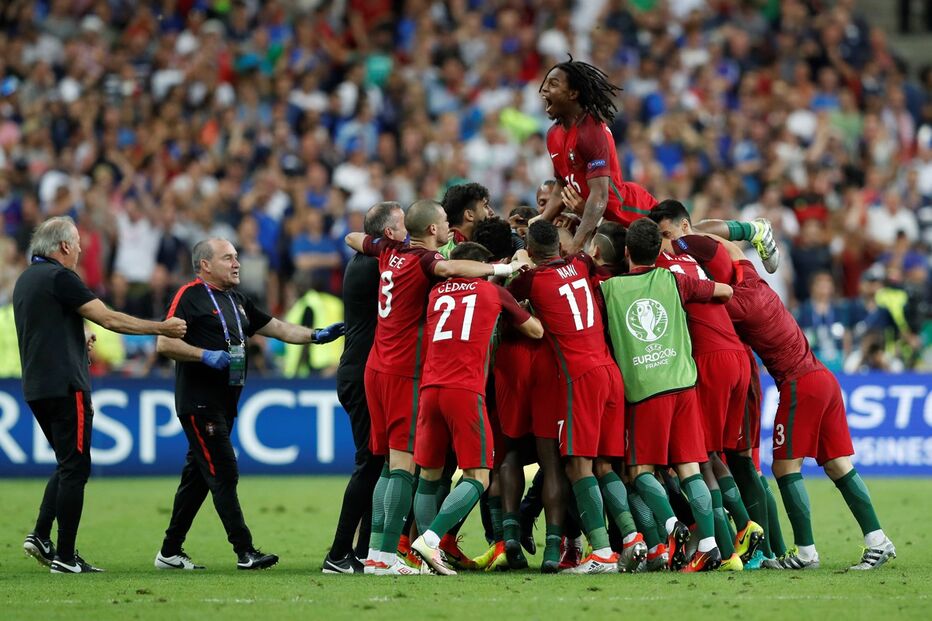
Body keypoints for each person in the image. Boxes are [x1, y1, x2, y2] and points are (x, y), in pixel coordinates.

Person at [344, 199, 529, 576]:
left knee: (387, 467)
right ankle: (384, 558)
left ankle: (380, 554)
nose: (448, 226)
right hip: (402, 371)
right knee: (402, 467)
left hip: (375, 367)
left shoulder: (389, 251)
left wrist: (384, 240)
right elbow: (449, 266)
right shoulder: (424, 260)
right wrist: (505, 266)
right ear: (431, 230)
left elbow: (352, 236)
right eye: (444, 221)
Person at [154, 238, 344, 571]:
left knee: (198, 478)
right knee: (224, 471)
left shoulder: (239, 300)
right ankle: (244, 550)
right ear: (205, 265)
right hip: (199, 403)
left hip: (226, 403)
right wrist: (203, 355)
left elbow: (279, 328)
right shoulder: (190, 296)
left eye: (237, 257)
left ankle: (169, 551)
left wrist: (315, 335)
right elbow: (165, 342)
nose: (237, 263)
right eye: (228, 258)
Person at [14, 216, 187, 574]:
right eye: (77, 243)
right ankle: (64, 556)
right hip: (65, 386)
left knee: (67, 462)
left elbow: (45, 333)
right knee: (77, 467)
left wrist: (78, 342)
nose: (81, 249)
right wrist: (162, 327)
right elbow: (109, 319)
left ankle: (42, 536)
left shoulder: (27, 280)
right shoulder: (61, 277)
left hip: (37, 385)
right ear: (63, 246)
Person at [600, 218, 733, 572]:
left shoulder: (609, 290)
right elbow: (724, 292)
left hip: (645, 391)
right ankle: (708, 546)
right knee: (690, 469)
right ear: (660, 252)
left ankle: (672, 525)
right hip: (683, 384)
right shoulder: (673, 280)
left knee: (641, 470)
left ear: (626, 252)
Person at [509, 220, 637, 574]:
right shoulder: (579, 264)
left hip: (579, 379)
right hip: (609, 371)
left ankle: (602, 552)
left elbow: (501, 291)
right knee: (604, 466)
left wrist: (518, 260)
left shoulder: (531, 279)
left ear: (532, 252)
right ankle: (631, 538)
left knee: (576, 466)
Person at [410, 242, 544, 575]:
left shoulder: (436, 293)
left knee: (428, 475)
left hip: (430, 388)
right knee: (479, 476)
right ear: (482, 266)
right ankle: (431, 539)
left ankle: (426, 558)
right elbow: (535, 330)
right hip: (465, 390)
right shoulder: (492, 293)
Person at [323, 201, 406, 574]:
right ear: (388, 234)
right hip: (362, 374)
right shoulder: (381, 265)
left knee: (376, 462)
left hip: (359, 369)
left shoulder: (366, 261)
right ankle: (338, 553)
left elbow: (353, 236)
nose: (409, 231)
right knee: (369, 463)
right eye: (404, 224)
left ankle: (360, 550)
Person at [535, 56, 658, 252]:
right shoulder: (553, 135)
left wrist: (576, 244)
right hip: (599, 222)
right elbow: (561, 186)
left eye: (553, 84)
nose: (544, 89)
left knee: (688, 241)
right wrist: (540, 226)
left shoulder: (590, 131)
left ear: (573, 93)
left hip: (632, 213)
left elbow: (599, 195)